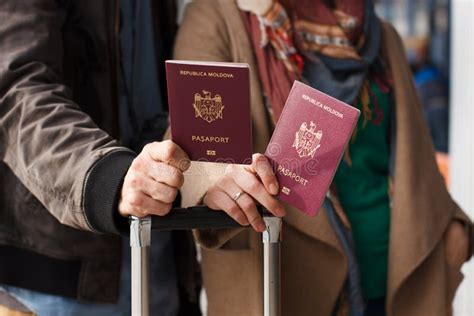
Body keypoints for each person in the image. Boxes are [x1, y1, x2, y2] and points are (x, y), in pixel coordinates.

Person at [175, 0, 473, 315]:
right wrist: (214, 182)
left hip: (399, 281)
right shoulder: (219, 15)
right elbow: (195, 148)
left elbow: (417, 161)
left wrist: (454, 236)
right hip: (285, 277)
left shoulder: (379, 35)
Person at [0, 1, 199, 315]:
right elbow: (15, 90)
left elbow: (149, 96)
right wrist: (110, 180)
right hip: (55, 278)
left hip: (159, 261)